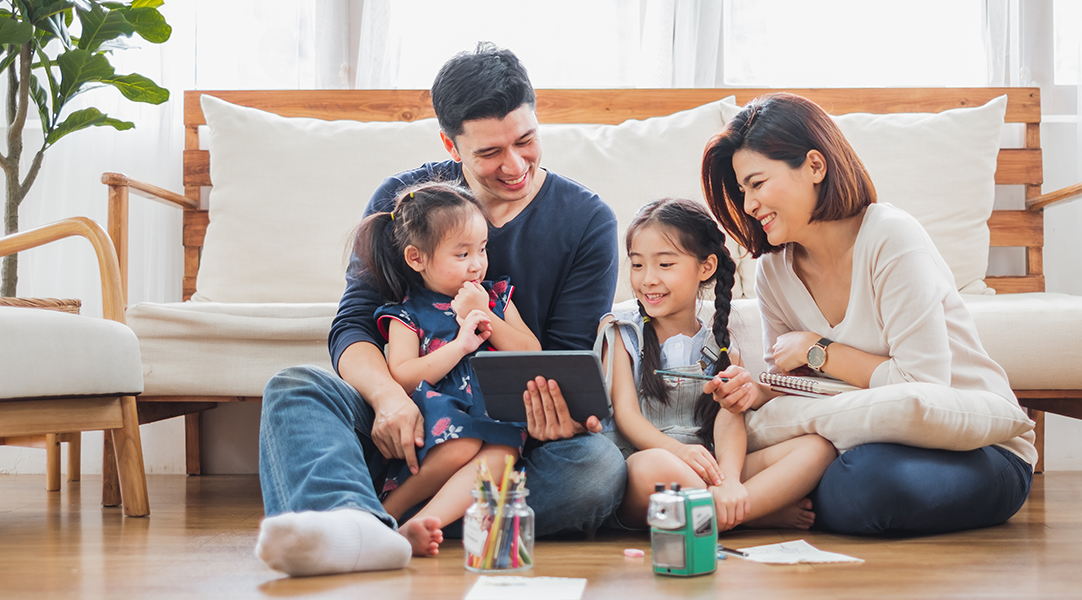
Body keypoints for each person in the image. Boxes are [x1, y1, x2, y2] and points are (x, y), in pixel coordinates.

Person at [255, 43, 625, 577]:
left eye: (526, 140)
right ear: (451, 144)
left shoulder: (586, 220)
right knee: (295, 389)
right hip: (407, 424)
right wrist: (388, 399)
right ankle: (363, 522)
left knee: (597, 469)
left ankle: (367, 518)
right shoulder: (406, 201)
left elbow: (562, 357)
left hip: (507, 438)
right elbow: (354, 324)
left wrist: (552, 416)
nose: (515, 165)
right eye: (490, 152)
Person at [699, 93, 1036, 535]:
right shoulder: (773, 272)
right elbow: (797, 389)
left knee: (862, 487)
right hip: (861, 443)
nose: (748, 205)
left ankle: (773, 501)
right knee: (841, 474)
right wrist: (757, 391)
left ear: (815, 166)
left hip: (978, 449)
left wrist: (819, 350)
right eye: (743, 191)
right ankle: (773, 500)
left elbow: (922, 386)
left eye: (757, 183)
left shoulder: (891, 238)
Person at [599, 198, 836, 531]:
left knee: (817, 448)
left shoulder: (721, 346)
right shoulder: (621, 333)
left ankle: (724, 507)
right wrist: (677, 452)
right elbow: (626, 416)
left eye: (665, 264)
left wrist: (730, 479)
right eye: (637, 265)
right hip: (646, 468)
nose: (648, 279)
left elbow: (729, 421)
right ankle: (753, 514)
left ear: (706, 267)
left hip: (705, 467)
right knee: (654, 466)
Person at [351, 182, 539, 555]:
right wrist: (460, 347)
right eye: (462, 254)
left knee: (502, 456)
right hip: (442, 415)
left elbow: (531, 353)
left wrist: (483, 313)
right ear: (416, 258)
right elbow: (403, 376)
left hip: (497, 414)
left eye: (482, 249)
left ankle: (423, 523)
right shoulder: (408, 313)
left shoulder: (495, 298)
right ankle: (387, 513)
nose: (477, 264)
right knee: (461, 444)